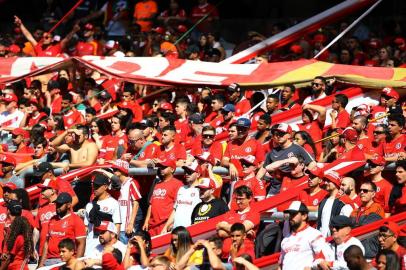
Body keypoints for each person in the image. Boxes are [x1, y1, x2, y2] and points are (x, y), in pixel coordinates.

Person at [38, 193, 86, 267]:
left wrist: (76, 264)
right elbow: (46, 243)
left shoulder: (76, 220)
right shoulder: (52, 219)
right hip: (48, 260)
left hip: (64, 261)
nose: (57, 207)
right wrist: (41, 264)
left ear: (69, 205)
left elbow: (81, 243)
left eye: (60, 205)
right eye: (57, 204)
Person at [279, 201, 330, 270]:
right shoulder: (286, 238)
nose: (291, 217)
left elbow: (324, 258)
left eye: (293, 214)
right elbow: (280, 265)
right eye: (290, 214)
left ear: (304, 216)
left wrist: (312, 268)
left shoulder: (314, 234)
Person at [142, 160, 183, 236]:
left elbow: (177, 207)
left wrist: (171, 223)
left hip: (165, 224)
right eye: (161, 167)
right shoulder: (157, 184)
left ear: (172, 169)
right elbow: (151, 204)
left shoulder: (178, 184)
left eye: (164, 167)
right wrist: (146, 221)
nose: (161, 169)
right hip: (152, 226)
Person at [84, 173, 121, 255]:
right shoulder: (89, 205)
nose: (94, 189)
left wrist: (113, 244)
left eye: (97, 186)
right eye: (94, 186)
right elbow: (86, 227)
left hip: (106, 245)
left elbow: (117, 226)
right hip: (90, 244)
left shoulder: (113, 203)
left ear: (105, 186)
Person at [162, 161, 201, 233]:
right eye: (185, 172)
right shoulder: (181, 188)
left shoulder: (201, 190)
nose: (187, 174)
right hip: (176, 229)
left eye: (190, 172)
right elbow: (175, 209)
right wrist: (166, 226)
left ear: (198, 174)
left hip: (190, 230)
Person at [317, 170, 353, 237]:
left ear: (335, 183)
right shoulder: (323, 200)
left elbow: (346, 223)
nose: (325, 183)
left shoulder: (344, 201)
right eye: (325, 180)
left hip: (336, 239)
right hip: (323, 240)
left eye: (328, 181)